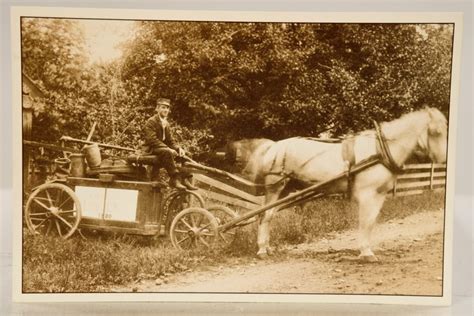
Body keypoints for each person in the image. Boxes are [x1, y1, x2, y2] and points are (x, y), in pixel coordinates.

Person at [143, 98, 197, 190]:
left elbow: (170, 141)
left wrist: (178, 148)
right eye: (163, 107)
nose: (165, 110)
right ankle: (174, 179)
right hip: (151, 149)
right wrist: (169, 149)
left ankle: (184, 178)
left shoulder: (166, 123)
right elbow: (152, 140)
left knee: (187, 154)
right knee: (167, 152)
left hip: (162, 149)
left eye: (167, 108)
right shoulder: (151, 121)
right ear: (157, 108)